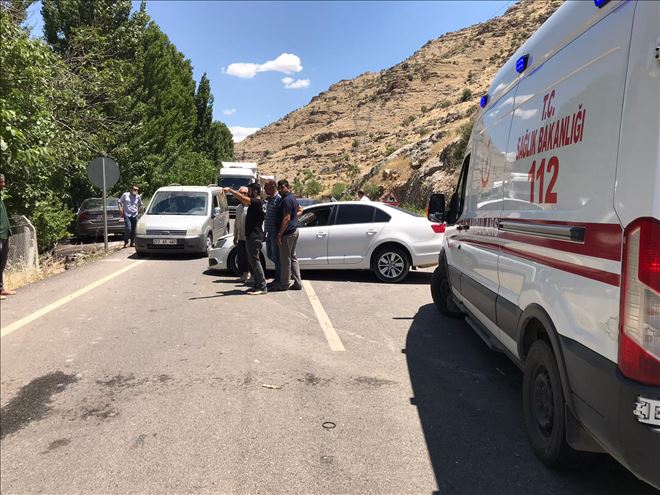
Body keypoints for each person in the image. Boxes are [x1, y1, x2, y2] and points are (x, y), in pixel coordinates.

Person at [224, 183, 267, 295]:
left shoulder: (257, 202)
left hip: (254, 236)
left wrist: (230, 190)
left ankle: (262, 287)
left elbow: (243, 198)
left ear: (255, 191)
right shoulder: (256, 203)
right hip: (251, 236)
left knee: (255, 262)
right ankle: (257, 285)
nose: (248, 194)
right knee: (252, 262)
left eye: (250, 191)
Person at [274, 179, 302, 291]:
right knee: (292, 257)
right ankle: (298, 282)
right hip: (293, 231)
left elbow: (286, 218)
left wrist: (279, 234)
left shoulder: (287, 200)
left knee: (285, 259)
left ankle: (284, 284)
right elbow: (300, 210)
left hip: (287, 233)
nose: (280, 190)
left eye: (282, 187)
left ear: (287, 187)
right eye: (279, 187)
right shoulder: (291, 198)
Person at [263, 180, 282, 289]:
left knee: (276, 256)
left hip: (275, 232)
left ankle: (279, 278)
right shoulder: (269, 199)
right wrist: (265, 232)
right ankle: (280, 273)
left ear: (272, 187)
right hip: (269, 232)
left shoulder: (278, 199)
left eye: (266, 187)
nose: (264, 189)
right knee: (270, 255)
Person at [0, 174, 15, 300]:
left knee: (2, 263)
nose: (3, 184)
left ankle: (1, 289)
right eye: (1, 182)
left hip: (4, 234)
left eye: (4, 181)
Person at [232, 186, 251, 283]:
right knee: (242, 257)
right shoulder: (238, 207)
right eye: (241, 193)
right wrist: (235, 236)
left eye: (245, 193)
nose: (243, 195)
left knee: (250, 257)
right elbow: (236, 223)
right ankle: (244, 275)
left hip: (249, 237)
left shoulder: (251, 206)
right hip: (241, 237)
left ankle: (251, 276)